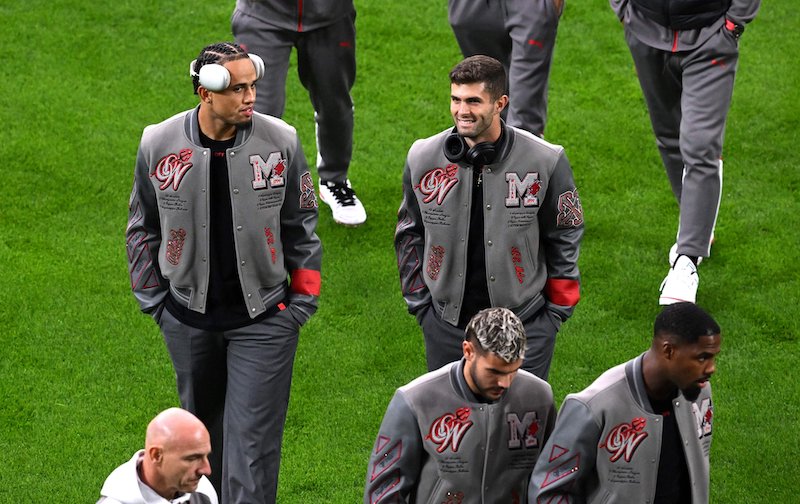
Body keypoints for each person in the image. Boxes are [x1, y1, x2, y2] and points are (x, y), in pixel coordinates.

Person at [125, 42, 322, 504]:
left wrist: (300, 305)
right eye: (237, 90)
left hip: (266, 322)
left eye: (252, 86)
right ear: (205, 93)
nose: (251, 97)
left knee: (251, 452)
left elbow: (303, 225)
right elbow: (142, 227)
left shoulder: (283, 141)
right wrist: (156, 302)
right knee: (198, 451)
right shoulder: (158, 142)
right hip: (187, 320)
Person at [395, 55, 583, 380]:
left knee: (521, 425)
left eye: (473, 101)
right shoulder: (423, 157)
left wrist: (555, 314)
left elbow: (566, 231)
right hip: (446, 325)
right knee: (456, 419)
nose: (462, 111)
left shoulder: (545, 160)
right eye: (455, 99)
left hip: (527, 324)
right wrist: (421, 305)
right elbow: (409, 233)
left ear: (500, 103)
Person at [609, 0, 761, 305]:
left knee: (701, 144)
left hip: (711, 36)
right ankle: (699, 225)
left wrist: (734, 24)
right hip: (645, 30)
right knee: (668, 135)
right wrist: (625, 12)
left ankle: (687, 260)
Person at [529, 302, 722, 503]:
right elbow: (548, 491)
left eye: (713, 357)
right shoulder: (595, 405)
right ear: (669, 351)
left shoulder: (698, 391)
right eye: (702, 358)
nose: (711, 368)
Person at [364, 307, 555, 503]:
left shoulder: (539, 397)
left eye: (513, 370)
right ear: (468, 351)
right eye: (494, 372)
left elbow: (551, 478)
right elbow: (383, 490)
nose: (505, 383)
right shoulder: (416, 400)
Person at [231, 0, 366, 226]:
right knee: (258, 110)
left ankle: (334, 181)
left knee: (334, 103)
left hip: (330, 16)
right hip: (263, 14)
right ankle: (261, 192)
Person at [447, 0, 565, 138]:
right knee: (486, 94)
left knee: (524, 120)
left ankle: (522, 155)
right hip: (471, 9)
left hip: (529, 6)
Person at [97, 408, 217, 504]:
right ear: (156, 455)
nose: (206, 470)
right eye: (192, 458)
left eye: (206, 456)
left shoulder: (202, 491)